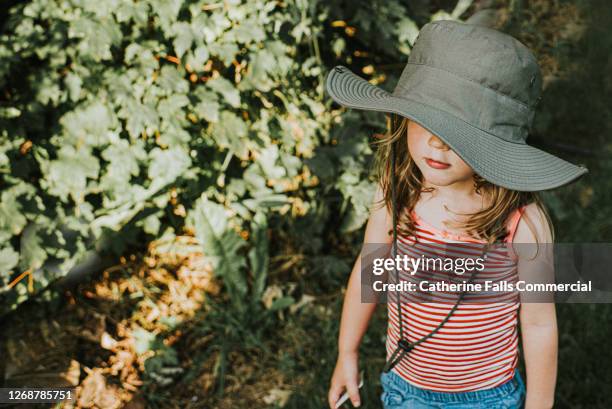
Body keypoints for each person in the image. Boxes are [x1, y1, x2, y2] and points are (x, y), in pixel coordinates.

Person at [324, 20, 588, 409]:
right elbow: (369, 270)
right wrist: (347, 351)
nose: (436, 142)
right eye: (426, 119)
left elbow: (538, 323)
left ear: (495, 145)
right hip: (405, 386)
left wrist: (540, 402)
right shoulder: (397, 194)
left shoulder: (520, 223)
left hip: (488, 396)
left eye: (458, 131)